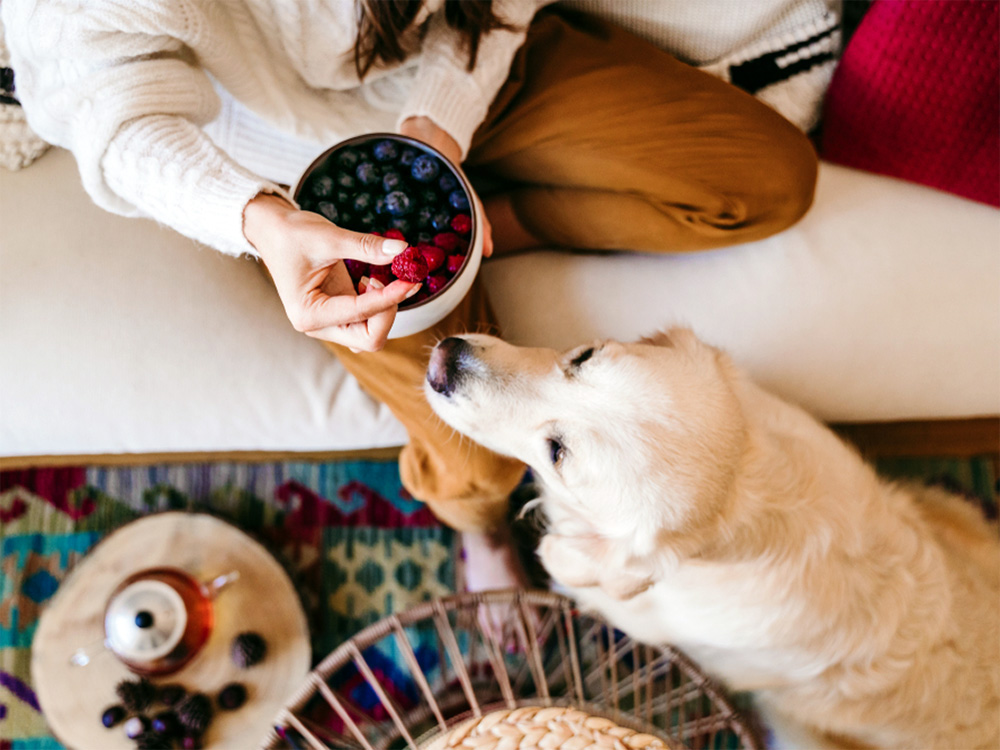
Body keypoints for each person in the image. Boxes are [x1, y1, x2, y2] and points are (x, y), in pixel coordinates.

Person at [3, 0, 818, 590]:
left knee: (769, 181)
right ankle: (477, 529)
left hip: (466, 72)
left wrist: (441, 129)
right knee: (481, 466)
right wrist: (256, 219)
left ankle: (497, 220)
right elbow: (103, 103)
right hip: (288, 181)